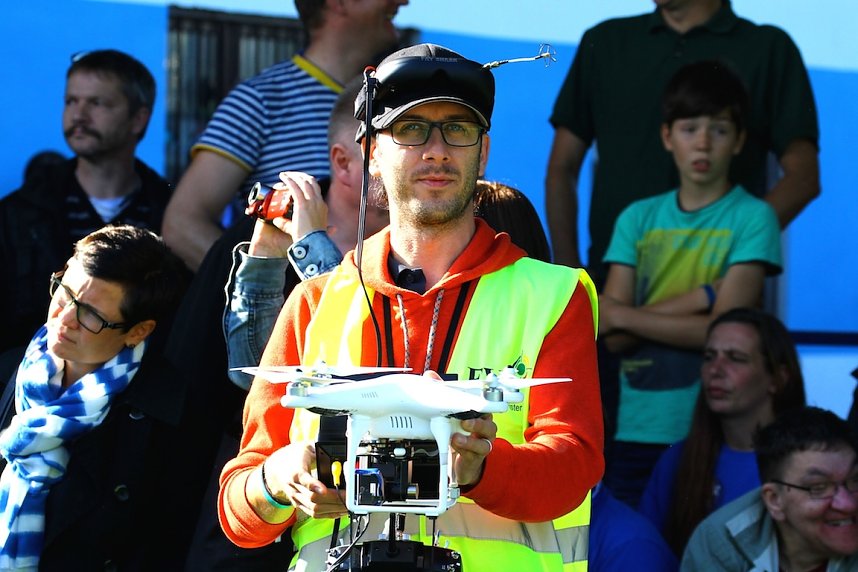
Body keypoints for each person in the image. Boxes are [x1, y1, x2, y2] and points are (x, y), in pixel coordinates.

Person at [218, 43, 603, 571]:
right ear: (372, 151)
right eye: (411, 128)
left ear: (483, 151)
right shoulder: (314, 300)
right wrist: (279, 478)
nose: (438, 150)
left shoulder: (556, 294)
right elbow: (239, 510)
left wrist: (480, 469)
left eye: (458, 130)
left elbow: (574, 469)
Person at [598, 60, 782, 507]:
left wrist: (619, 312)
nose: (703, 141)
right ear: (667, 136)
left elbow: (721, 331)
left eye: (719, 129)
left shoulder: (754, 217)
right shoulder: (637, 217)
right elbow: (613, 338)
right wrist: (705, 296)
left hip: (714, 426)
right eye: (689, 127)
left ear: (739, 140)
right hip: (636, 426)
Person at [545, 0, 819, 285]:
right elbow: (562, 167)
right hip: (610, 281)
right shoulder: (605, 42)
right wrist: (570, 277)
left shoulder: (768, 47)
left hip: (719, 298)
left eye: (720, 130)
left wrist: (735, 252)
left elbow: (803, 177)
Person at [0, 225, 198, 570]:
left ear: (138, 332)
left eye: (90, 315)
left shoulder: (170, 419)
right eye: (64, 292)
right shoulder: (8, 371)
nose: (64, 319)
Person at [163, 0, 409, 271]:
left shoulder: (397, 102)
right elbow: (182, 225)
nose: (403, 2)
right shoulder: (260, 100)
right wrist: (270, 288)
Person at [0, 50, 171, 356]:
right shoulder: (19, 211)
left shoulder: (169, 212)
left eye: (97, 103)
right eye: (71, 101)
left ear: (139, 118)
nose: (78, 115)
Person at [639, 308, 806, 556]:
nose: (715, 370)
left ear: (778, 379)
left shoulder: (807, 465)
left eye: (736, 358)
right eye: (708, 356)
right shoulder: (677, 460)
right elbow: (647, 552)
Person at [681, 406, 858, 571]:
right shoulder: (723, 542)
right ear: (774, 500)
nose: (848, 504)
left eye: (855, 480)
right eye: (818, 487)